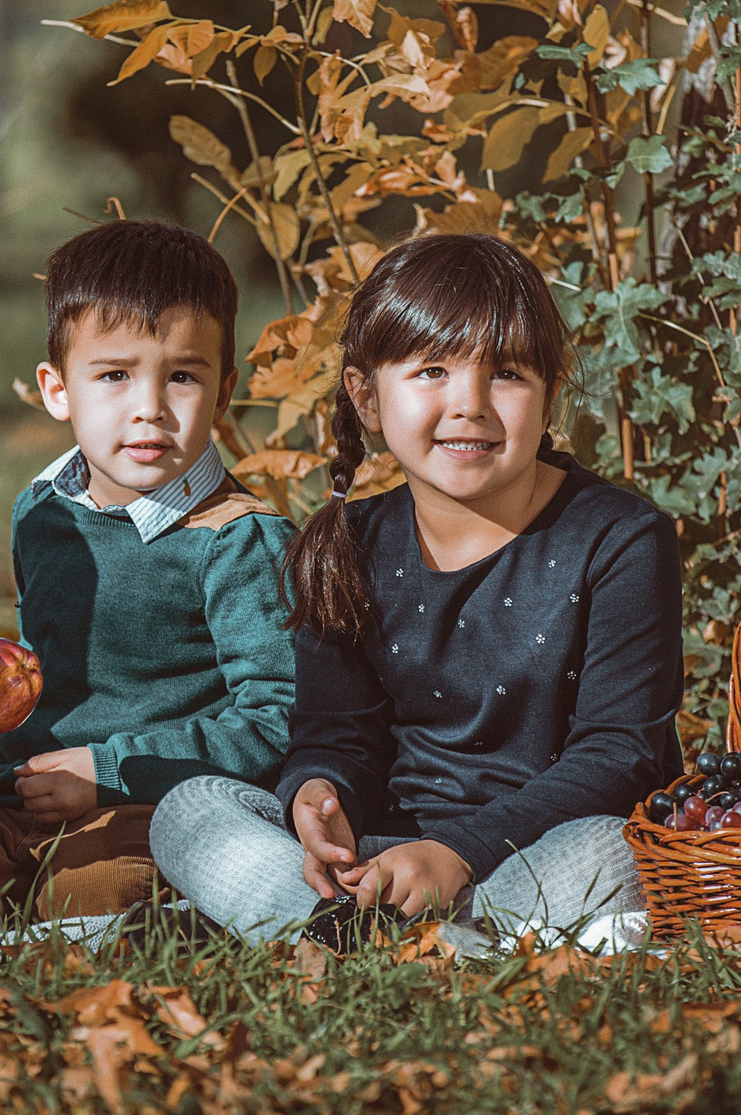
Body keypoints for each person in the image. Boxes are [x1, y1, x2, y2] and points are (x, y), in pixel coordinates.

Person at [151, 232, 679, 944]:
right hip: (385, 860)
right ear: (366, 397)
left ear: (551, 392)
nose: (470, 404)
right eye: (432, 370)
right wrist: (319, 793)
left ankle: (341, 938)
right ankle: (377, 932)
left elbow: (618, 758)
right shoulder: (345, 545)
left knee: (616, 849)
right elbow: (337, 735)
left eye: (507, 374)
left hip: (531, 853)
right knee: (191, 807)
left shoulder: (620, 538)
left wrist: (457, 853)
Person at [0, 219, 298, 919]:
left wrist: (111, 771)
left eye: (182, 376)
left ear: (223, 393)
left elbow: (276, 717)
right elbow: (43, 673)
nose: (149, 408)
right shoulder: (43, 512)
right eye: (115, 375)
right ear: (57, 389)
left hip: (154, 804)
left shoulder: (237, 539)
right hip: (21, 795)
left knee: (87, 903)